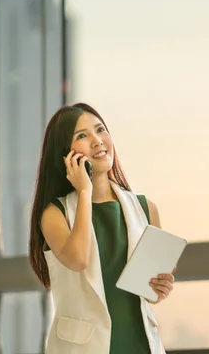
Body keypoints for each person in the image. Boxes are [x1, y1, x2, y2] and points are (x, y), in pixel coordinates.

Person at [28, 103, 174, 354]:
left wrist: (159, 289)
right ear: (65, 154)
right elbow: (78, 258)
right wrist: (84, 191)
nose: (97, 141)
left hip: (140, 344)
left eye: (100, 130)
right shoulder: (54, 214)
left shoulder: (146, 209)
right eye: (82, 136)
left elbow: (148, 293)